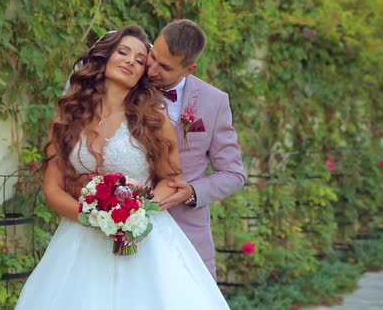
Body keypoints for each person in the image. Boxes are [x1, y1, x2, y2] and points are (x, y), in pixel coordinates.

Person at [15, 25, 229, 309]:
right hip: (80, 241)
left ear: (143, 73)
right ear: (104, 57)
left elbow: (171, 178)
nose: (131, 61)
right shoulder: (68, 116)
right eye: (123, 52)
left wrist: (136, 214)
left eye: (140, 60)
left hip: (144, 240)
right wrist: (95, 218)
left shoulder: (153, 117)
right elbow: (52, 189)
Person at [148, 19, 246, 280]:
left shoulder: (214, 102)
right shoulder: (125, 86)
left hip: (187, 233)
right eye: (152, 56)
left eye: (165, 67)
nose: (151, 69)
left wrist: (192, 192)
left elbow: (234, 174)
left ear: (189, 69)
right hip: (128, 228)